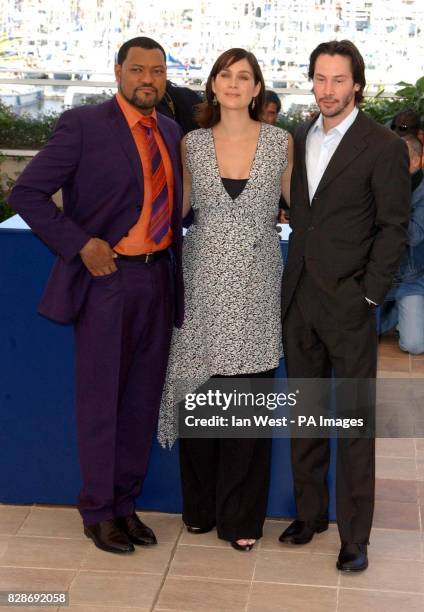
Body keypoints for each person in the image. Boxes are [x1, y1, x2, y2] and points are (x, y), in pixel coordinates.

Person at [8, 36, 184, 555]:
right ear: (118, 73)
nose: (147, 79)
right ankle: (98, 512)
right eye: (137, 70)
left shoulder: (171, 130)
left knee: (140, 402)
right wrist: (80, 244)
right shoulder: (84, 126)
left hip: (158, 279)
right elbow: (27, 193)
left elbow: (170, 204)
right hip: (109, 283)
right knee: (102, 401)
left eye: (156, 70)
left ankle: (125, 506)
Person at [279, 40, 410, 572]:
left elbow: (393, 229)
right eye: (319, 78)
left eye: (338, 80)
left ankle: (355, 537)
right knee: (306, 414)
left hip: (351, 304)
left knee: (356, 423)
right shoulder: (297, 136)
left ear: (357, 83)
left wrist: (370, 295)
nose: (327, 89)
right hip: (300, 300)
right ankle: (310, 515)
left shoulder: (382, 145)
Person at [158, 47, 293, 552]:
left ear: (257, 89)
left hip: (257, 286)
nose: (234, 83)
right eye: (225, 75)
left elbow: (299, 206)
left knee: (248, 407)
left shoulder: (281, 142)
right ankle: (199, 509)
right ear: (212, 85)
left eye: (244, 77)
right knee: (200, 395)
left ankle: (241, 519)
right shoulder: (191, 143)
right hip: (200, 283)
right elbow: (179, 208)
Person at [380, 135, 424, 354]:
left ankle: (406, 310)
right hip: (381, 276)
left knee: (414, 345)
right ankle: (399, 313)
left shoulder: (420, 191)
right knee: (363, 334)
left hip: (412, 279)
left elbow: (414, 235)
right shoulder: (384, 184)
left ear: (415, 161)